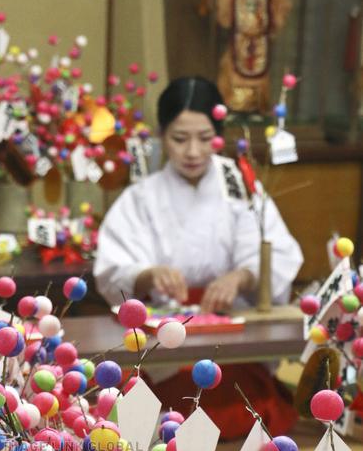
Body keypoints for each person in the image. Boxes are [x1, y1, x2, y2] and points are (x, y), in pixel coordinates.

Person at [94, 75, 303, 313]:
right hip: (163, 324)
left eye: (205, 138)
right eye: (180, 139)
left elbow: (276, 256)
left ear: (219, 137)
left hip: (234, 315)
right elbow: (113, 269)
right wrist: (148, 275)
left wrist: (240, 278)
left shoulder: (240, 186)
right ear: (162, 135)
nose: (193, 152)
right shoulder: (141, 197)